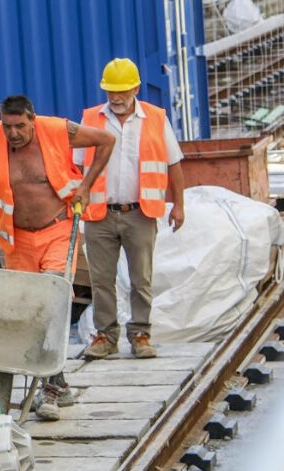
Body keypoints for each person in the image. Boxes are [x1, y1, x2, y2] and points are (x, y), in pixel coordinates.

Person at [0, 95, 114, 420]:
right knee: (26, 312)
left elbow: (106, 140)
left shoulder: (59, 130)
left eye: (20, 126)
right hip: (15, 240)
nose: (14, 133)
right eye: (8, 126)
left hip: (56, 230)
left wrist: (86, 186)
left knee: (52, 303)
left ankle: (48, 387)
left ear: (32, 119)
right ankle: (57, 382)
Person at [75, 58, 186, 361]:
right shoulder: (91, 119)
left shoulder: (155, 119)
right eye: (111, 91)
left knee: (141, 279)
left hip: (141, 212)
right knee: (101, 279)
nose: (116, 97)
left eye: (122, 91)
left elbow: (174, 164)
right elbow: (75, 167)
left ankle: (140, 334)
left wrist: (179, 204)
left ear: (136, 88)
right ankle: (105, 336)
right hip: (100, 213)